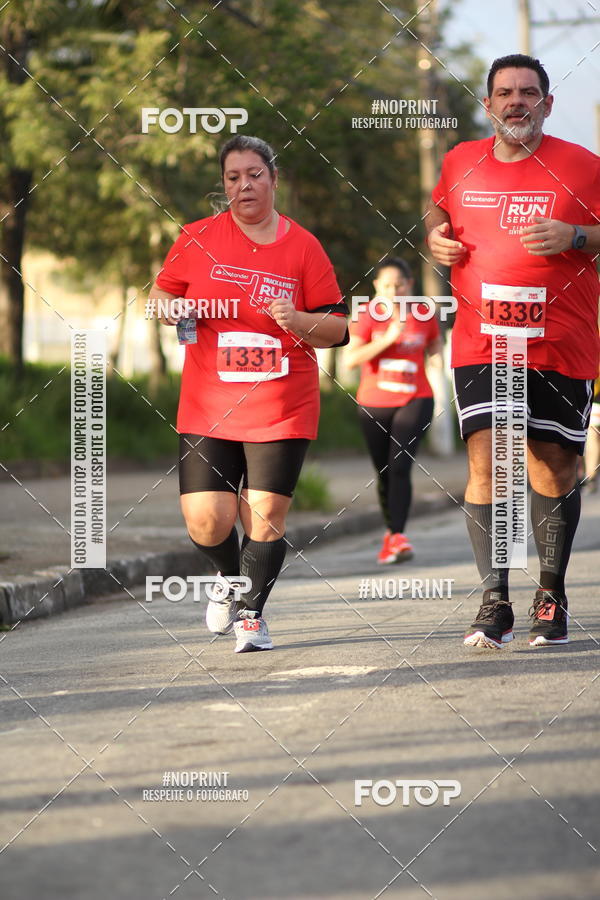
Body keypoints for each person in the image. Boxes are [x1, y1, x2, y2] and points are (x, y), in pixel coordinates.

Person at [426, 53, 600, 649]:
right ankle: (493, 599)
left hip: (561, 341)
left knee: (552, 464)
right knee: (489, 457)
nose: (516, 101)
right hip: (484, 340)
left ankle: (550, 594)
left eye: (529, 92)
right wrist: (435, 239)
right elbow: (440, 212)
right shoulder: (459, 162)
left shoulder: (583, 167)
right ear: (488, 103)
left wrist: (577, 236)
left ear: (547, 104)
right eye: (505, 92)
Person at [148, 135, 347, 653]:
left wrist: (300, 320)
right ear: (224, 185)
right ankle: (229, 577)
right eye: (233, 177)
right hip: (209, 402)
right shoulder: (195, 238)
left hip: (281, 402)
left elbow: (338, 328)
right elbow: (161, 291)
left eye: (255, 174)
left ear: (274, 180)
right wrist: (166, 307)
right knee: (207, 518)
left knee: (264, 514)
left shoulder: (304, 246)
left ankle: (252, 615)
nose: (245, 185)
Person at [345, 257, 443, 563]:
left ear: (409, 284)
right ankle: (391, 534)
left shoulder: (423, 315)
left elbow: (435, 347)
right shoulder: (366, 316)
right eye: (386, 285)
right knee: (384, 471)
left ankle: (399, 536)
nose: (393, 290)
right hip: (374, 403)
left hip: (416, 397)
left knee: (399, 466)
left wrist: (439, 360)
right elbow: (350, 359)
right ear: (376, 287)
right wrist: (387, 338)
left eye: (399, 284)